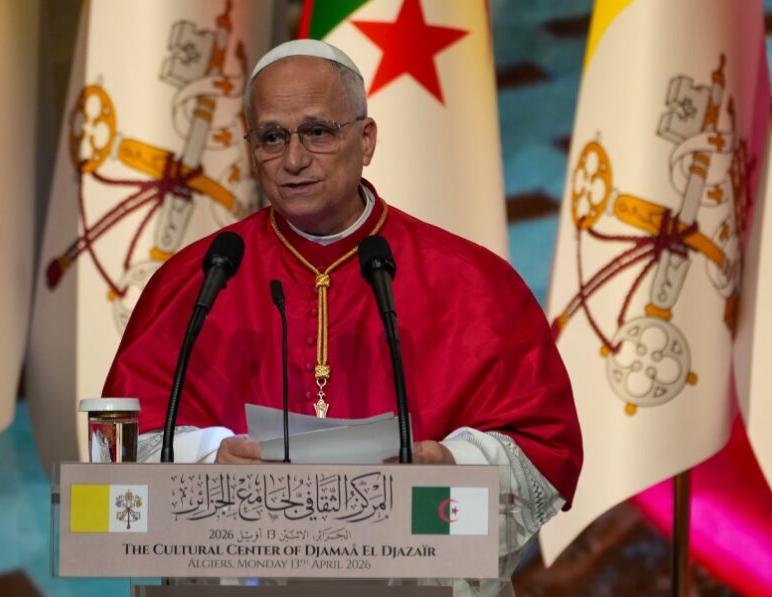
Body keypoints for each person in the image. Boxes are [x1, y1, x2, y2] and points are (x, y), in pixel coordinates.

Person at [102, 39, 583, 565]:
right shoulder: (195, 280)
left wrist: (449, 466)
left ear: (367, 138)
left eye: (318, 131)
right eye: (272, 137)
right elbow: (117, 457)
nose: (293, 159)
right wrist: (206, 462)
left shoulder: (472, 280)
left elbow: (543, 448)